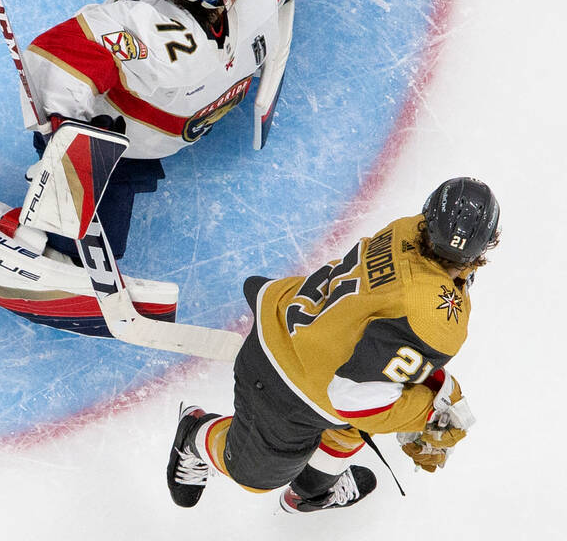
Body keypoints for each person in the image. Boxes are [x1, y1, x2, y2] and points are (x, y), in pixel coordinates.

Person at [23, 0, 364, 260]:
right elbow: (69, 46)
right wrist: (69, 124)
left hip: (146, 140)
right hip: (118, 138)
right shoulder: (150, 27)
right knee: (88, 241)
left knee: (100, 245)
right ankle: (47, 243)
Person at [165, 177, 500, 513]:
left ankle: (309, 493)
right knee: (255, 476)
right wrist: (425, 417)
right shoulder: (436, 322)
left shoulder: (407, 229)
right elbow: (354, 400)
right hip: (283, 377)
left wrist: (431, 398)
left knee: (375, 391)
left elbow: (388, 328)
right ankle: (194, 432)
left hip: (298, 316)